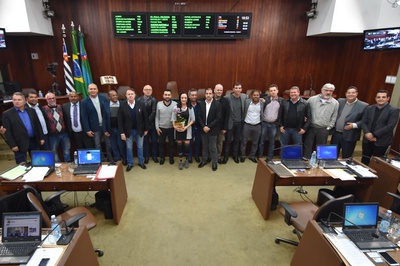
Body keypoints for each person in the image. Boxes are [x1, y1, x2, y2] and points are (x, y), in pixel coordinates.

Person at [2, 92, 44, 164]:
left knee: (38, 162)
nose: (17, 102)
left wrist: (41, 137)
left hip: (34, 141)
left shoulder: (31, 111)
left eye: (19, 100)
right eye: (15, 100)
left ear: (24, 101)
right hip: (19, 143)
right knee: (21, 166)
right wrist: (12, 145)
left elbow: (38, 125)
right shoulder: (7, 114)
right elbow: (7, 132)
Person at [361, 90, 399, 165]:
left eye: (383, 97)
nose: (380, 99)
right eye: (378, 97)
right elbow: (363, 122)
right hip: (367, 139)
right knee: (364, 160)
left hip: (381, 141)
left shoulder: (393, 110)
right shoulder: (369, 108)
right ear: (375, 98)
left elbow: (390, 126)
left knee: (377, 163)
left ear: (388, 98)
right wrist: (367, 133)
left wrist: (374, 135)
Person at [303, 83, 339, 159]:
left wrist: (329, 127)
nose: (328, 92)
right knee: (307, 144)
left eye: (331, 91)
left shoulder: (335, 103)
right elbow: (305, 111)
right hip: (311, 127)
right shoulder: (312, 99)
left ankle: (319, 161)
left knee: (321, 146)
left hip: (323, 128)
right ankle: (305, 159)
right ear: (322, 90)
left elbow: (334, 116)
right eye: (326, 90)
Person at [331, 86, 368, 159]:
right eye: (349, 93)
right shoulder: (340, 101)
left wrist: (354, 125)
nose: (351, 94)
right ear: (346, 94)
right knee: (332, 155)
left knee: (346, 157)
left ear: (356, 94)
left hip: (350, 135)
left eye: (353, 93)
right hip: (336, 133)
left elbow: (365, 120)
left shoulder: (364, 106)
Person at [118, 89, 149, 172]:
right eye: (128, 94)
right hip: (128, 131)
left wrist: (146, 129)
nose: (130, 95)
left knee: (140, 147)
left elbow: (145, 118)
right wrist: (122, 133)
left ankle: (141, 162)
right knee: (129, 147)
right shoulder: (122, 105)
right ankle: (130, 164)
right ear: (126, 96)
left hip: (140, 130)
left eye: (132, 94)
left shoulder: (141, 104)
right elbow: (120, 120)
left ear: (135, 95)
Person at [41, 92, 71, 162]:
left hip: (64, 134)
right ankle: (58, 167)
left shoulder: (61, 107)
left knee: (67, 150)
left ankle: (68, 164)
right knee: (54, 152)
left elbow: (66, 119)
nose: (52, 100)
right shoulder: (43, 109)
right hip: (52, 135)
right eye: (49, 99)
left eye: (53, 98)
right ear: (46, 100)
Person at [222, 82, 247, 164]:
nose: (238, 89)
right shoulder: (227, 98)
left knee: (237, 140)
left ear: (241, 89)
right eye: (236, 88)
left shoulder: (244, 97)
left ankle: (235, 155)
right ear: (233, 89)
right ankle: (225, 156)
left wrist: (262, 99)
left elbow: (254, 99)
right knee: (228, 141)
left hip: (239, 123)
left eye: (239, 88)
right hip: (230, 123)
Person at [197, 88, 221, 171]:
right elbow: (199, 116)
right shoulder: (201, 104)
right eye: (206, 93)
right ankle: (204, 160)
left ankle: (214, 162)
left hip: (213, 129)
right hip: (203, 129)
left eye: (210, 93)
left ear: (212, 94)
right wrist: (204, 126)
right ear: (205, 95)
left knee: (213, 147)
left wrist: (209, 127)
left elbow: (218, 118)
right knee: (204, 146)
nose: (208, 95)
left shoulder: (217, 104)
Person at [258, 84, 283, 162]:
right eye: (271, 91)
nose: (272, 92)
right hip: (264, 123)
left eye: (274, 90)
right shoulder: (265, 99)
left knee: (272, 142)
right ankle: (260, 157)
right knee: (261, 141)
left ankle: (269, 158)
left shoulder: (281, 101)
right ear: (269, 92)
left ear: (277, 91)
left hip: (274, 124)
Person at [172, 92, 195, 170]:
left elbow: (193, 120)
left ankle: (187, 160)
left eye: (185, 98)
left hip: (187, 130)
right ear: (180, 98)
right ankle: (181, 161)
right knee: (179, 147)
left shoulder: (190, 107)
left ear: (187, 98)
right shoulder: (176, 107)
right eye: (182, 98)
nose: (184, 99)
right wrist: (175, 127)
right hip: (178, 130)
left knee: (187, 147)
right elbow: (173, 118)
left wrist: (186, 127)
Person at [81, 83, 108, 150]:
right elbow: (84, 117)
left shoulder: (103, 98)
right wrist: (87, 129)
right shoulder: (84, 102)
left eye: (94, 89)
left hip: (105, 126)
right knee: (97, 145)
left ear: (97, 90)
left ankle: (110, 158)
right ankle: (100, 159)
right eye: (91, 89)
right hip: (94, 127)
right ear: (88, 90)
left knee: (109, 144)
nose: (93, 90)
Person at [103, 89, 127, 165]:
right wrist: (104, 130)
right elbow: (104, 118)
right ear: (109, 97)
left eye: (116, 95)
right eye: (113, 95)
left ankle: (124, 158)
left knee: (121, 145)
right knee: (113, 145)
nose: (115, 96)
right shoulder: (105, 104)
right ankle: (117, 159)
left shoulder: (122, 103)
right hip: (111, 129)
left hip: (121, 129)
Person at [240, 90, 263, 163]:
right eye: (254, 95)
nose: (256, 96)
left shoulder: (262, 103)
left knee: (255, 143)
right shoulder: (247, 102)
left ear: (259, 96)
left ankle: (252, 156)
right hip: (247, 125)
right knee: (244, 141)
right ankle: (242, 156)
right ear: (251, 96)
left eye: (257, 95)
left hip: (257, 126)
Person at [155, 89, 177, 165]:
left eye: (168, 95)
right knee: (161, 144)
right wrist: (157, 128)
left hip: (171, 128)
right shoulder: (159, 104)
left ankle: (171, 158)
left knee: (172, 144)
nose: (167, 96)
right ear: (163, 95)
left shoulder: (175, 104)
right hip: (161, 128)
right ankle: (162, 158)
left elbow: (177, 116)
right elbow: (157, 117)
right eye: (165, 95)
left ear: (171, 96)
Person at [138, 85, 158, 164]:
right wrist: (144, 124)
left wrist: (147, 122)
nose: (148, 91)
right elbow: (139, 114)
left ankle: (154, 156)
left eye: (150, 89)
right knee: (145, 142)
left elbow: (154, 112)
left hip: (152, 124)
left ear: (152, 91)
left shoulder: (154, 100)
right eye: (146, 89)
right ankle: (146, 157)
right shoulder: (139, 100)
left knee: (154, 141)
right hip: (143, 126)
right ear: (143, 90)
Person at [213, 84, 230, 164]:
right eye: (218, 90)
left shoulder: (226, 101)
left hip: (220, 127)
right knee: (212, 143)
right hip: (211, 127)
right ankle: (212, 157)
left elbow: (227, 116)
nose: (219, 91)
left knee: (219, 143)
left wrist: (225, 128)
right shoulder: (210, 99)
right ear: (214, 90)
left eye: (221, 90)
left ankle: (218, 157)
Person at [188, 88, 201, 163]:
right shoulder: (187, 105)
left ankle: (197, 156)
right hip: (190, 127)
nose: (194, 97)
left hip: (198, 126)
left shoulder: (200, 104)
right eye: (192, 95)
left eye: (195, 95)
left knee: (198, 142)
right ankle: (189, 156)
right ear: (189, 96)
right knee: (190, 142)